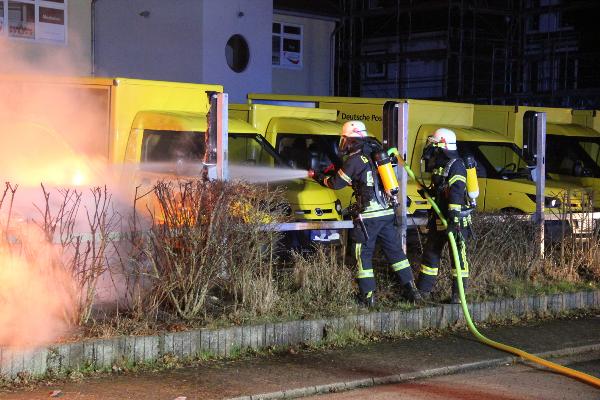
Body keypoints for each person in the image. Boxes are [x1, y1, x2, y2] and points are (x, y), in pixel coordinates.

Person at [311, 121, 421, 307]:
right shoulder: (375, 153)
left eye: (345, 139)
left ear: (350, 140)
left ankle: (367, 297)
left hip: (368, 218)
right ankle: (412, 291)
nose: (343, 143)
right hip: (386, 213)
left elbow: (335, 184)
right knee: (395, 252)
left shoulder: (354, 160)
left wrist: (318, 176)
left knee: (362, 254)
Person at [416, 128, 471, 303]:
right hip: (440, 218)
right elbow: (441, 189)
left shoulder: (457, 165)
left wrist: (453, 220)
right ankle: (423, 292)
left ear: (442, 145)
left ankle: (458, 296)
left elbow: (456, 193)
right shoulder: (440, 165)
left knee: (458, 258)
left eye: (434, 144)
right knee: (431, 253)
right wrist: (429, 193)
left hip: (456, 221)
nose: (431, 148)